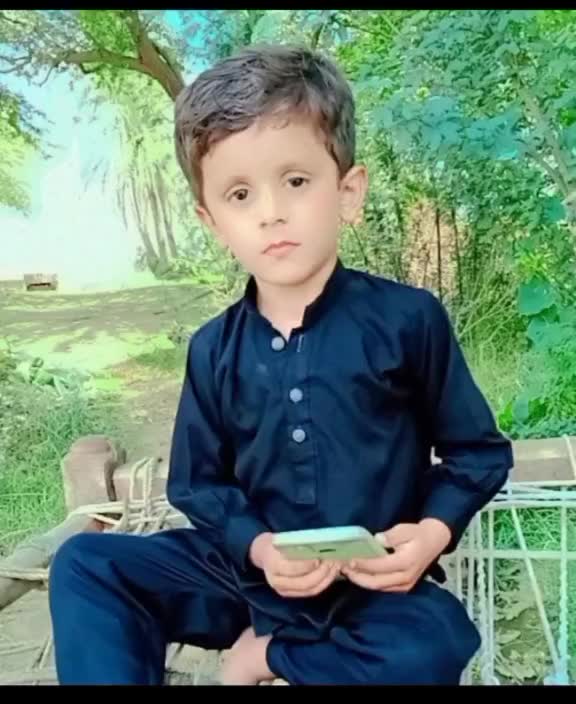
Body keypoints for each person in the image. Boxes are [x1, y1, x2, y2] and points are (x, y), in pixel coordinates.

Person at [48, 44, 513, 686]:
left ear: (347, 191)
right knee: (87, 565)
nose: (270, 212)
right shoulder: (213, 347)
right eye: (240, 194)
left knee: (433, 646)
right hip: (246, 577)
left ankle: (264, 657)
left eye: (295, 181)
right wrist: (260, 547)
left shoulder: (407, 319)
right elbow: (198, 483)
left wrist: (431, 534)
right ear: (213, 222)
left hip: (371, 585)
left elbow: (477, 454)